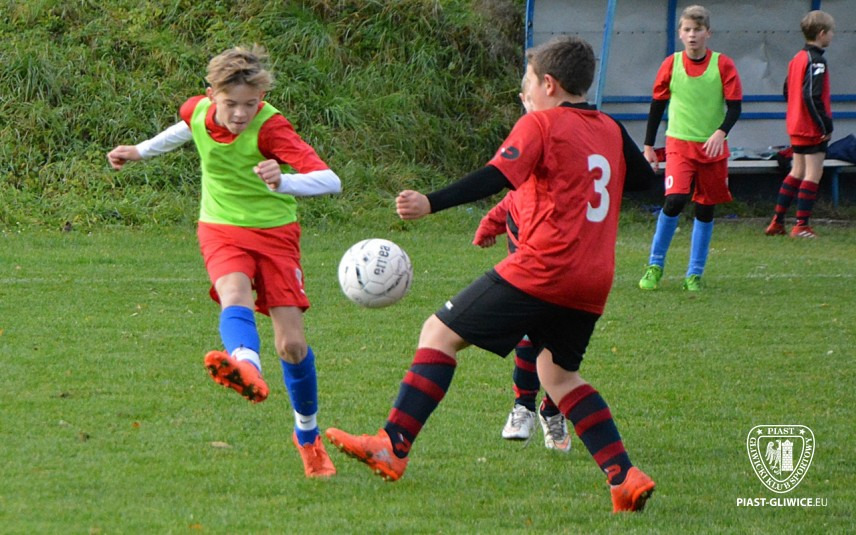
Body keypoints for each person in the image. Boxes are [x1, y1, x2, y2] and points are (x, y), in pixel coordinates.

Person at [326, 35, 657, 513]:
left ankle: (392, 444)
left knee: (437, 333)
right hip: (592, 276)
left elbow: (497, 174)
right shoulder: (609, 127)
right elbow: (644, 181)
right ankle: (624, 476)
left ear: (548, 84)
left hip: (543, 267)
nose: (526, 92)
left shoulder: (540, 123)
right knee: (558, 375)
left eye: (528, 82)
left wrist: (431, 202)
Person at [107, 45, 341, 478]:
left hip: (276, 235)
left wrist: (284, 181)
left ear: (261, 99)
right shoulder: (198, 109)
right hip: (220, 227)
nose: (240, 113)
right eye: (231, 103)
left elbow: (331, 180)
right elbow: (185, 127)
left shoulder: (271, 128)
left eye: (250, 104)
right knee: (233, 291)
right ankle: (247, 368)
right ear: (212, 94)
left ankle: (307, 436)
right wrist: (139, 151)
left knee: (291, 345)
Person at [473, 76, 571, 452]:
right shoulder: (525, 142)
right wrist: (491, 223)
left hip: (563, 267)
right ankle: (523, 407)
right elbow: (515, 196)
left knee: (559, 351)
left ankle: (551, 410)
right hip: (525, 270)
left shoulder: (562, 144)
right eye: (526, 97)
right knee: (527, 338)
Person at [638, 5, 742, 292]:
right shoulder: (671, 64)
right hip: (679, 144)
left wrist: (721, 132)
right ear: (680, 34)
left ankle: (694, 273)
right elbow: (657, 105)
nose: (692, 35)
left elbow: (735, 107)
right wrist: (648, 145)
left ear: (708, 33)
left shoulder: (723, 65)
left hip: (711, 149)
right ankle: (655, 265)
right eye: (687, 30)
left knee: (706, 209)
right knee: (675, 199)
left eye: (698, 29)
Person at [765, 11, 835, 239]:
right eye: (831, 32)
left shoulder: (797, 58)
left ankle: (777, 221)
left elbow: (788, 89)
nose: (832, 35)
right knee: (813, 173)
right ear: (822, 33)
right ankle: (801, 225)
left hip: (796, 124)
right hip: (811, 126)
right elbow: (812, 95)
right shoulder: (817, 61)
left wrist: (795, 111)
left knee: (797, 170)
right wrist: (825, 125)